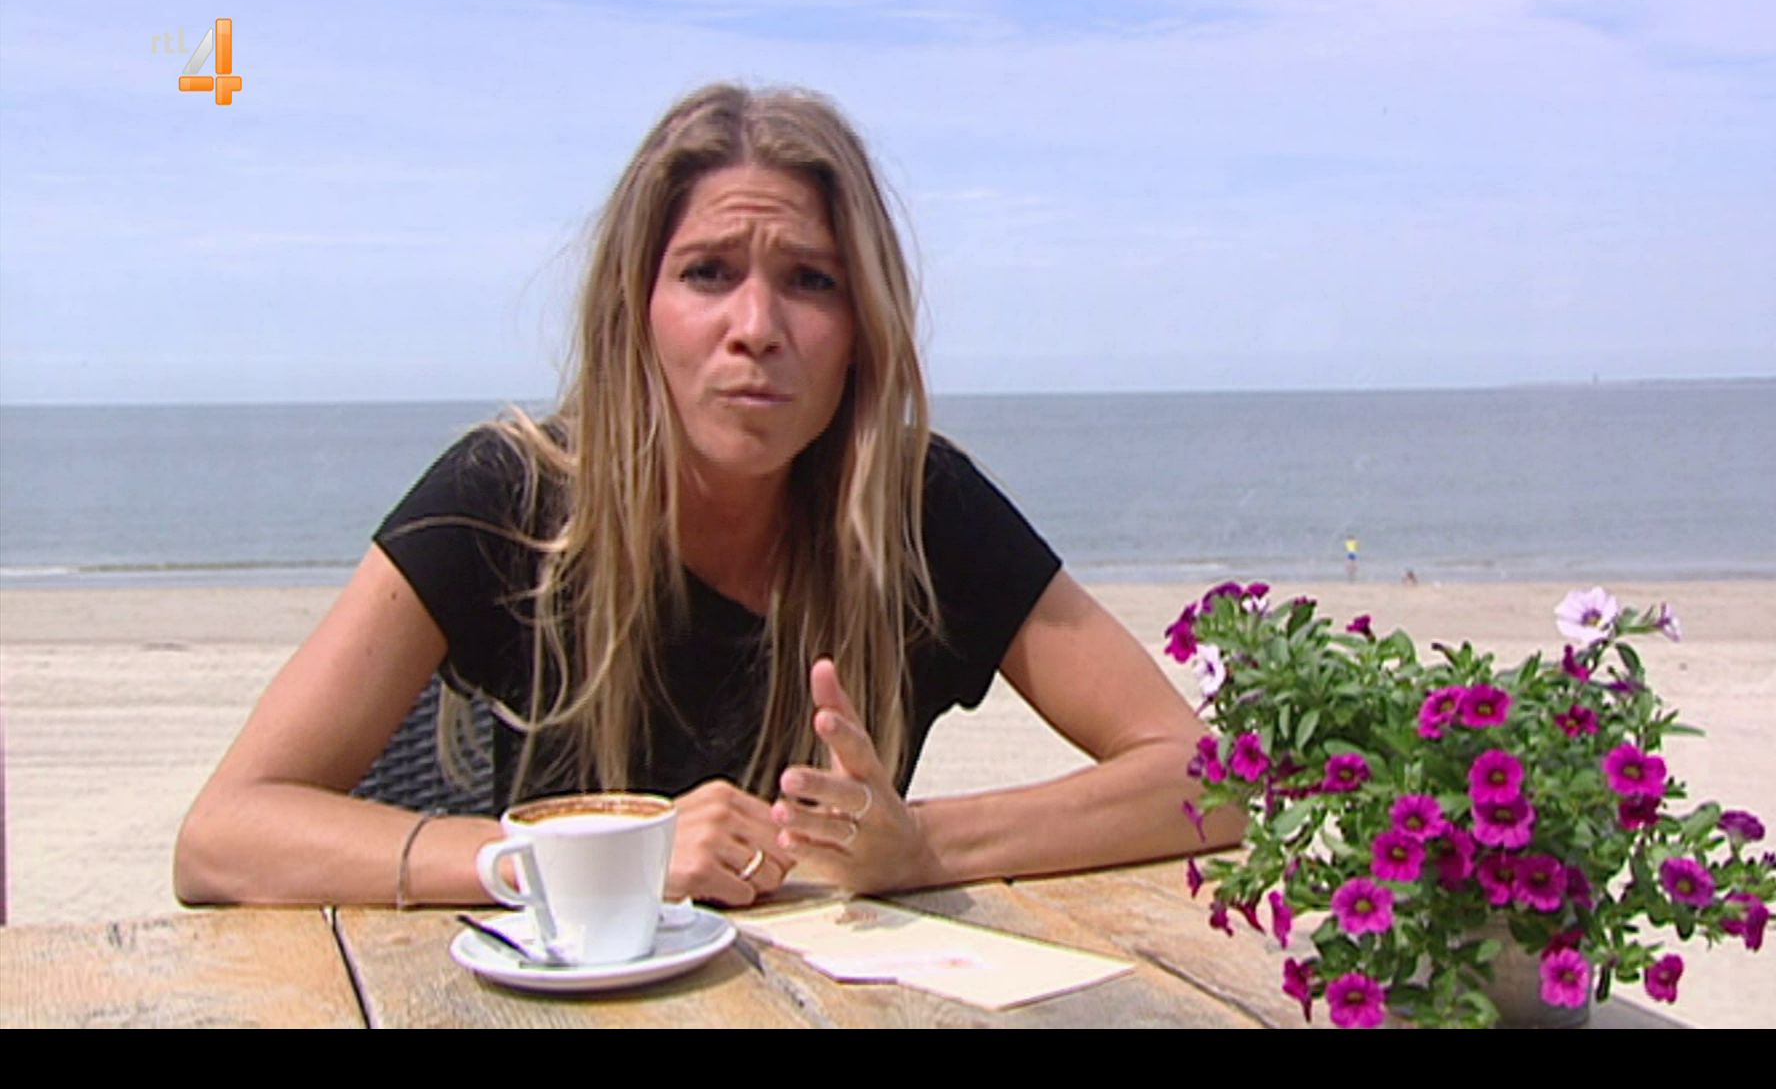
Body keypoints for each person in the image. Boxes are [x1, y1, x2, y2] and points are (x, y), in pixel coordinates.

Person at [174, 83, 1235, 911]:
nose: (757, 327)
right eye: (708, 273)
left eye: (811, 280)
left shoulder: (917, 510)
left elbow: (1212, 779)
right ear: (635, 308)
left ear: (861, 329)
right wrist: (593, 857)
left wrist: (920, 844)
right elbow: (223, 836)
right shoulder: (508, 499)